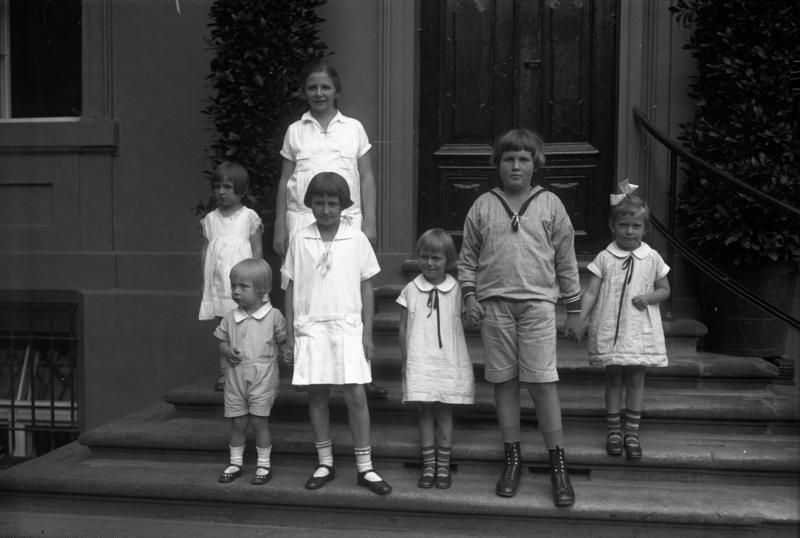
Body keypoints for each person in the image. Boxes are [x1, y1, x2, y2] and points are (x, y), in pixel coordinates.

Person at [458, 128, 581, 507]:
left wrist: (574, 310)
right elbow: (467, 260)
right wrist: (469, 296)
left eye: (523, 159)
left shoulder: (550, 205)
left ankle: (557, 463)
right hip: (495, 308)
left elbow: (566, 259)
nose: (515, 166)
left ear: (535, 164)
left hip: (538, 308)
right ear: (498, 164)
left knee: (543, 383)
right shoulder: (482, 205)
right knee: (505, 383)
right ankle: (512, 459)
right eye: (508, 159)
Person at [273, 60, 385, 399]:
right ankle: (306, 367)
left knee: (352, 290)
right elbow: (284, 180)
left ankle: (363, 372)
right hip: (302, 222)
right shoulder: (295, 131)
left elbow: (365, 176)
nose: (319, 93)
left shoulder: (353, 128)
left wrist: (371, 220)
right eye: (312, 87)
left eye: (325, 87)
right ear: (304, 92)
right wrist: (279, 222)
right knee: (302, 290)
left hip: (347, 222)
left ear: (336, 91)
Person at [281, 172, 391, 495]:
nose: (326, 209)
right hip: (311, 327)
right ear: (310, 204)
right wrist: (289, 334)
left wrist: (367, 333)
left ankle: (365, 467)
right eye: (319, 202)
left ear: (344, 205)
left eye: (332, 203)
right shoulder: (300, 240)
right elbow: (289, 288)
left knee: (356, 395)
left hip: (347, 328)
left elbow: (366, 287)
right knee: (317, 395)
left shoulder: (356, 239)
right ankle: (325, 461)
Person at [578, 180, 670, 460]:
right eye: (624, 226)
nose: (630, 232)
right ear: (612, 226)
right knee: (614, 379)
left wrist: (649, 298)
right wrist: (581, 318)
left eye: (636, 227)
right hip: (611, 328)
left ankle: (632, 431)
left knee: (636, 380)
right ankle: (614, 430)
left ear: (645, 229)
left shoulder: (651, 257)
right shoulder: (605, 257)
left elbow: (665, 290)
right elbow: (592, 290)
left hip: (639, 329)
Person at [397, 228, 475, 489]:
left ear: (448, 260)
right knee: (424, 410)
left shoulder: (457, 291)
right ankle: (428, 465)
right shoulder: (411, 289)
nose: (429, 263)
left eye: (436, 258)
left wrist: (475, 314)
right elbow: (403, 327)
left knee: (444, 411)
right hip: (421, 359)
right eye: (424, 257)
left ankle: (443, 465)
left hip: (447, 360)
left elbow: (464, 321)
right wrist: (406, 359)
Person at [215, 258, 286, 486]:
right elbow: (221, 342)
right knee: (237, 423)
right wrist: (227, 349)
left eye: (243, 287)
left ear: (262, 290)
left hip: (262, 377)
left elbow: (284, 342)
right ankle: (235, 462)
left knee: (259, 422)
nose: (236, 291)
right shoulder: (230, 317)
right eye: (233, 285)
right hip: (235, 378)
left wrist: (287, 355)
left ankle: (263, 464)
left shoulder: (273, 316)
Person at [199, 161, 264, 392]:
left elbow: (257, 250)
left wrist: (257, 279)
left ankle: (249, 372)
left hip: (245, 284)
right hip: (219, 285)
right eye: (217, 187)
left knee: (247, 327)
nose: (221, 192)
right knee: (225, 330)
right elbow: (206, 251)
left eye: (228, 187)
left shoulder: (249, 217)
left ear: (241, 190)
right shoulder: (211, 220)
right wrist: (205, 282)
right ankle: (226, 373)